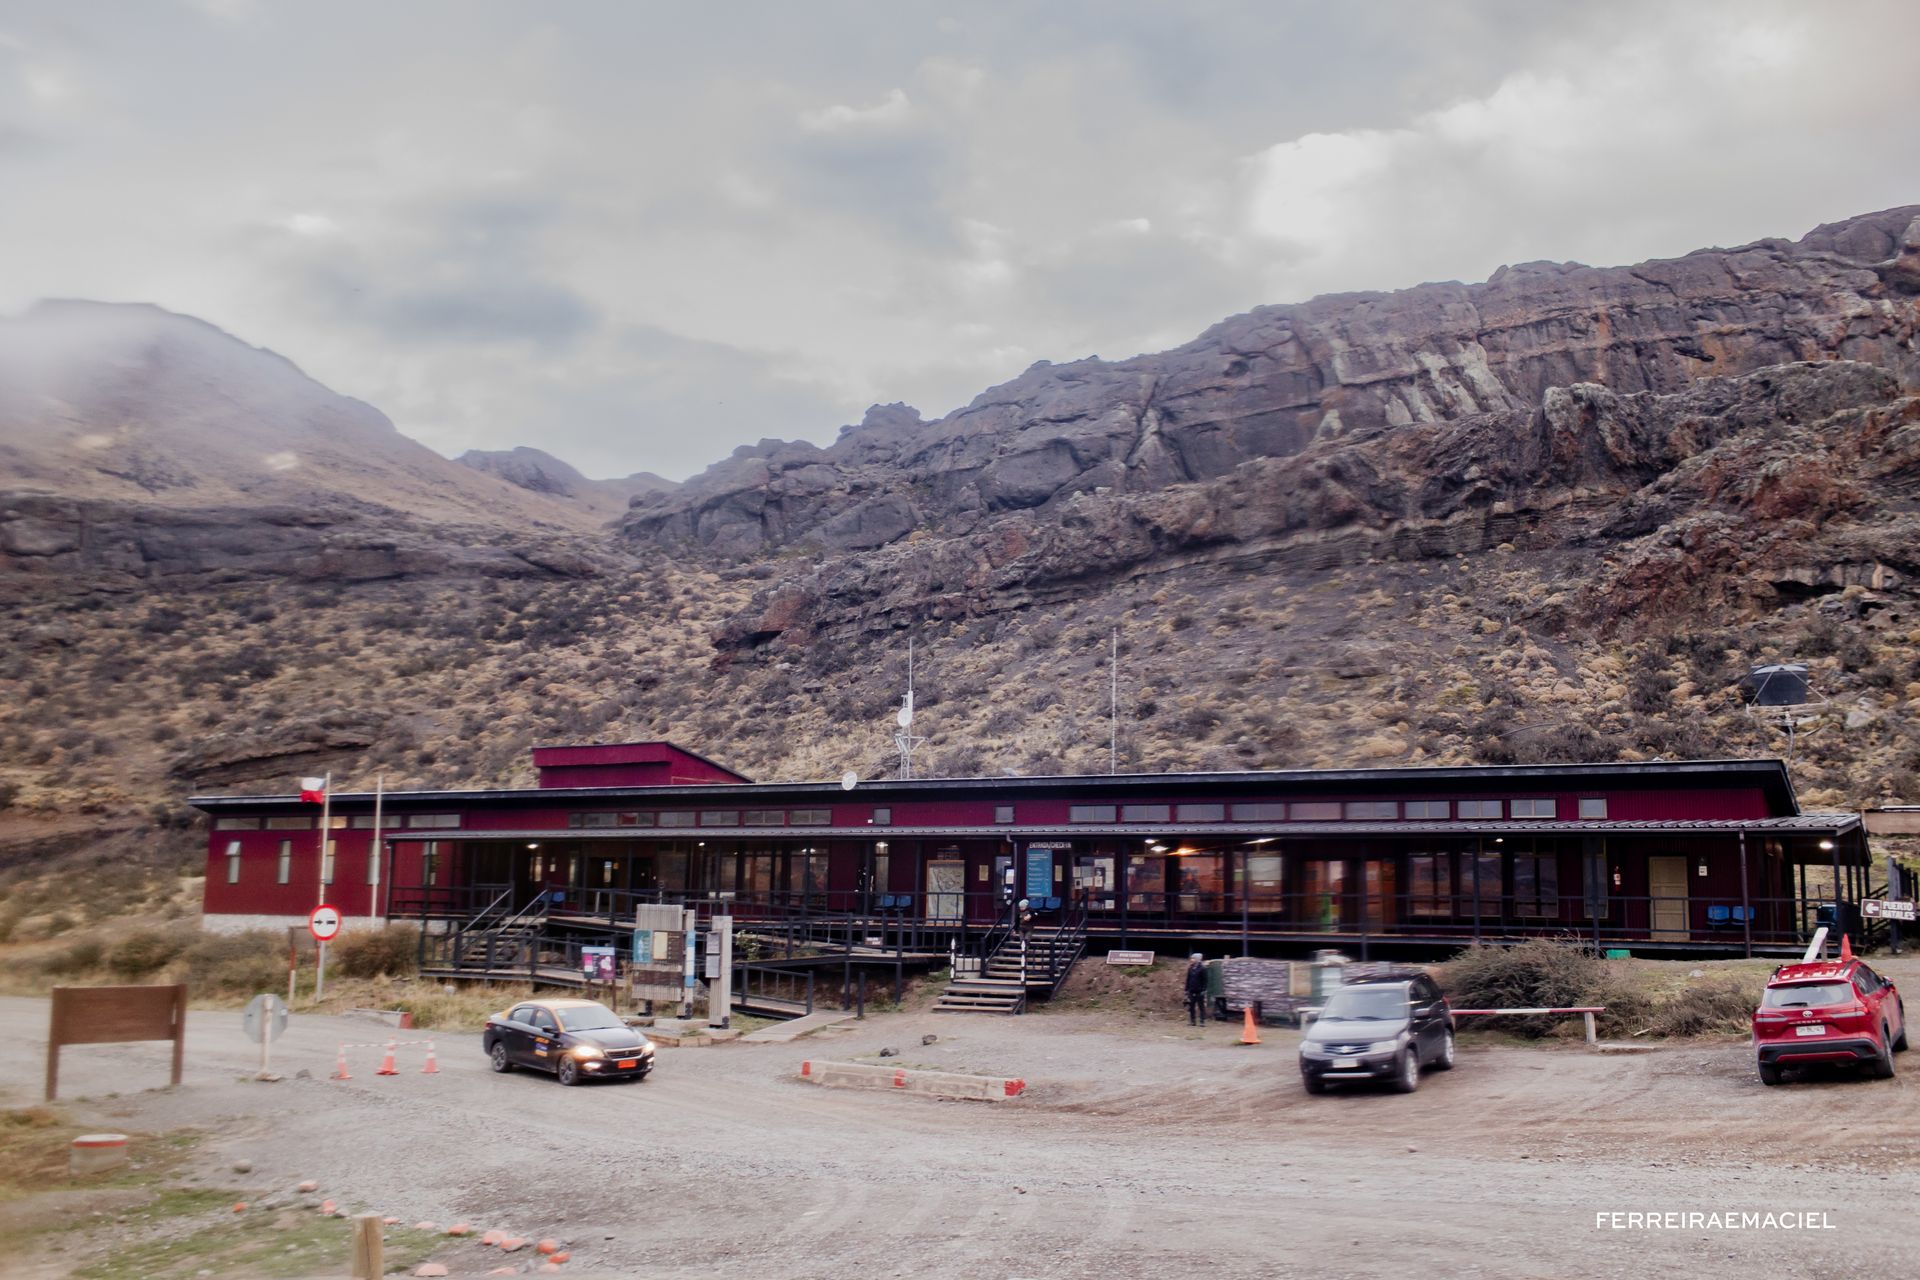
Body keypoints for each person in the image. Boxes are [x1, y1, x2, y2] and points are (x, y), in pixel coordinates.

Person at [1184, 952, 1208, 1026]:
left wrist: (1204, 990)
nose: (1192, 960)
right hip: (1191, 990)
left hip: (1199, 990)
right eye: (1191, 958)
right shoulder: (1190, 968)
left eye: (1193, 958)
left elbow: (1205, 980)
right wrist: (1186, 990)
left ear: (1198, 959)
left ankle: (1202, 1021)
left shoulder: (1203, 968)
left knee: (1201, 1006)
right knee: (1191, 1006)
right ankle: (1192, 1021)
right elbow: (1188, 979)